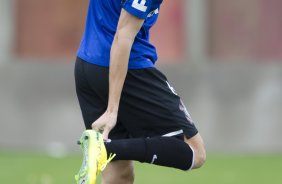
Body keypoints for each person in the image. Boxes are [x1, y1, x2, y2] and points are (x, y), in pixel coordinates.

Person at [74, 0, 206, 183]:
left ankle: (103, 149)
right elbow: (122, 36)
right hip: (126, 69)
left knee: (119, 175)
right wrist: (112, 110)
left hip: (87, 65)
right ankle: (102, 149)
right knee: (194, 151)